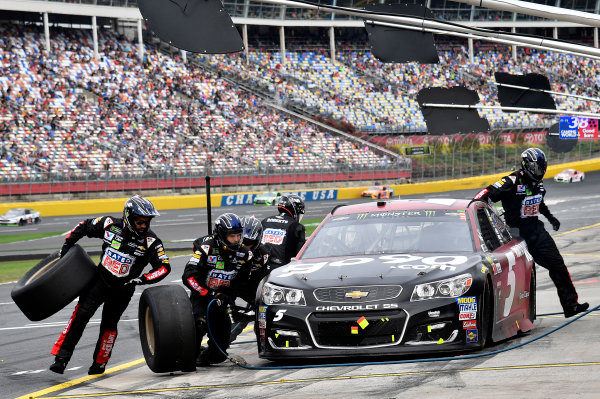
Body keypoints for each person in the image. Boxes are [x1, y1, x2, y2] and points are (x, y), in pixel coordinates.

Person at [50, 195, 171, 375]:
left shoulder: (151, 241)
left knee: (109, 325)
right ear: (128, 217)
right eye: (140, 222)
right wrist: (67, 245)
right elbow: (83, 226)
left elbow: (164, 266)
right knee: (80, 316)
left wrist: (143, 279)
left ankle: (99, 364)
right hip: (100, 280)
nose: (144, 226)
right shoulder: (108, 224)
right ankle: (61, 358)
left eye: (147, 222)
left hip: (123, 289)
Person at [470, 148, 588, 318]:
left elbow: (539, 204)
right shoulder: (511, 181)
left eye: (543, 168)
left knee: (558, 265)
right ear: (528, 166)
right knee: (517, 274)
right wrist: (488, 219)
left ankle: (570, 305)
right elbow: (483, 195)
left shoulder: (538, 184)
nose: (541, 172)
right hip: (515, 235)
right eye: (538, 168)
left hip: (536, 231)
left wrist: (551, 217)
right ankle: (513, 315)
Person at [182, 213, 252, 367]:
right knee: (198, 325)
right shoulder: (206, 248)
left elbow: (242, 282)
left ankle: (203, 356)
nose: (236, 239)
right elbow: (188, 276)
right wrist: (208, 293)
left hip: (223, 300)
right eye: (231, 236)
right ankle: (190, 353)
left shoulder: (245, 254)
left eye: (238, 235)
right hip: (202, 297)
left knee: (219, 355)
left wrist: (230, 298)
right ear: (221, 235)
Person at [230, 216, 270, 342]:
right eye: (241, 240)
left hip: (249, 286)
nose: (243, 245)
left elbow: (262, 280)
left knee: (258, 310)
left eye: (248, 242)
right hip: (229, 284)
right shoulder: (227, 249)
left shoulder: (263, 255)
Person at [260, 194, 306, 270]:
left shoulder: (265, 221)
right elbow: (300, 254)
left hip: (260, 266)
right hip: (281, 269)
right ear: (295, 210)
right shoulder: (297, 227)